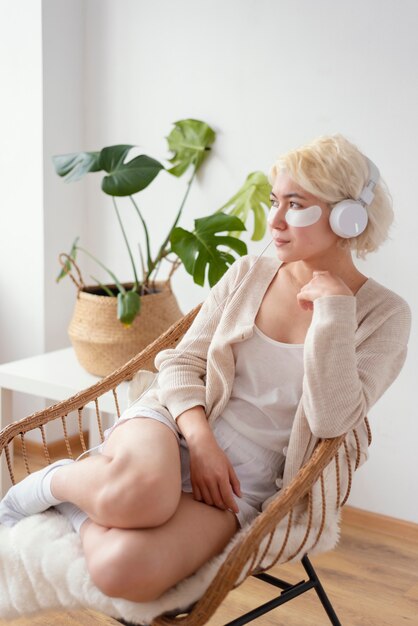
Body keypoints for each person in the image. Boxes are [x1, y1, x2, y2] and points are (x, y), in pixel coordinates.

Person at [0, 135, 411, 603]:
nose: (273, 221)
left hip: (244, 484)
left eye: (294, 204)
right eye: (275, 201)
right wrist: (201, 441)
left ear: (347, 216)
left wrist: (334, 312)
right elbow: (180, 362)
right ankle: (47, 485)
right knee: (142, 499)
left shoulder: (385, 315)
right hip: (174, 423)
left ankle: (79, 512)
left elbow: (332, 421)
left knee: (123, 572)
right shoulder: (248, 274)